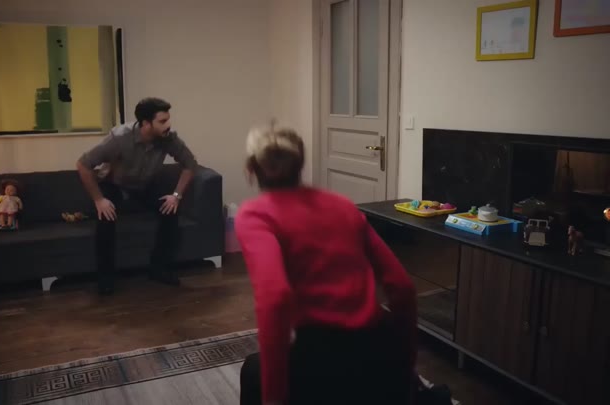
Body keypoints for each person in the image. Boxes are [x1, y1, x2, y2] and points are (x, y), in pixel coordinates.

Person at [235, 122, 418, 405]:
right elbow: (402, 287)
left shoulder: (256, 215)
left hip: (321, 355)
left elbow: (274, 298)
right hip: (378, 345)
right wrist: (404, 368)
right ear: (301, 164)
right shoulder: (342, 205)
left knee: (252, 371)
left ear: (250, 168)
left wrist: (274, 398)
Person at [76, 97, 198, 295]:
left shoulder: (168, 138)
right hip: (114, 184)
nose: (168, 125)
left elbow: (190, 164)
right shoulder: (119, 138)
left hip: (145, 185)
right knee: (106, 218)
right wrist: (99, 200)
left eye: (168, 119)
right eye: (162, 121)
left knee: (170, 210)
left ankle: (160, 269)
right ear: (146, 123)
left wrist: (176, 195)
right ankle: (106, 278)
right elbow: (83, 164)